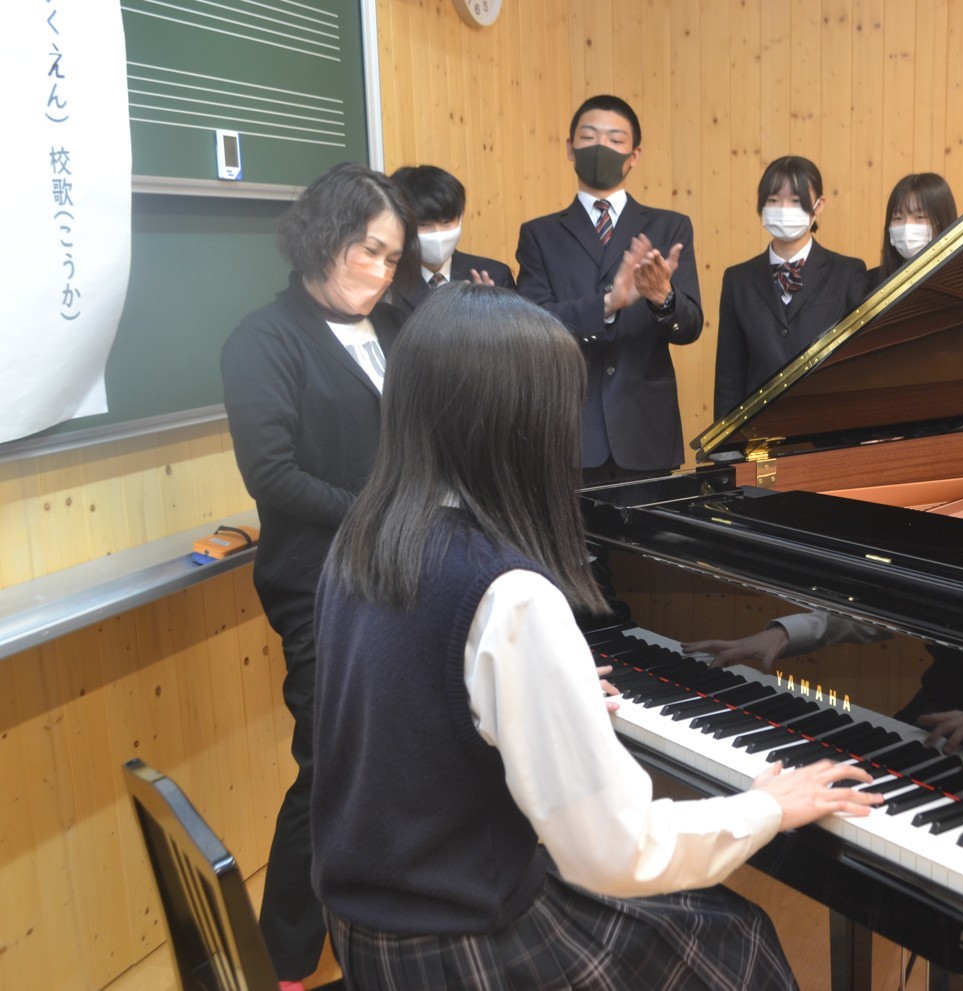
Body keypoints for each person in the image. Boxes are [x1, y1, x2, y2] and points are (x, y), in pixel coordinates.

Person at [310, 284, 881, 991]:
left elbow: (413, 705)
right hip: (463, 945)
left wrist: (548, 703)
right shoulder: (509, 593)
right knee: (738, 937)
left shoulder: (367, 538)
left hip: (368, 927)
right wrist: (767, 805)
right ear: (518, 428)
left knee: (713, 925)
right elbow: (617, 852)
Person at [221, 161, 420, 990]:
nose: (380, 270)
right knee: (329, 767)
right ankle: (284, 964)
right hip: (321, 586)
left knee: (402, 756)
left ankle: (387, 925)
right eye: (368, 249)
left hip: (404, 570)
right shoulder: (264, 339)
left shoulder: (396, 326)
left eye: (392, 257)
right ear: (323, 237)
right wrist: (382, 515)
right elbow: (273, 475)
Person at [685, 609, 963, 793]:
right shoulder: (960, 528)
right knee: (847, 809)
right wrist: (786, 633)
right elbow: (883, 605)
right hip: (939, 715)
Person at [515, 94, 703, 484]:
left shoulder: (670, 226)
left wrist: (663, 299)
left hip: (644, 429)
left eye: (615, 140)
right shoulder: (540, 234)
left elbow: (689, 328)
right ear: (570, 148)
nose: (601, 147)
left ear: (635, 155)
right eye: (589, 137)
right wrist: (607, 304)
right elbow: (532, 326)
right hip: (568, 431)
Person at [713, 156, 871, 418]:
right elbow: (729, 374)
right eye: (774, 200)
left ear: (819, 205)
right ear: (761, 205)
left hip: (830, 422)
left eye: (796, 201)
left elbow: (862, 364)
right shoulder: (737, 279)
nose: (784, 209)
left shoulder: (847, 273)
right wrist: (726, 439)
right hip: (760, 427)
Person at [387, 164, 514, 317]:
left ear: (460, 217)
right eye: (424, 225)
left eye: (446, 222)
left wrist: (487, 317)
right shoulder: (386, 281)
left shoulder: (496, 275)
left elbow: (518, 330)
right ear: (401, 222)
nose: (438, 233)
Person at [873, 172, 959, 286]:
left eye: (920, 217)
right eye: (898, 218)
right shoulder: (873, 282)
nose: (907, 226)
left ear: (942, 220)